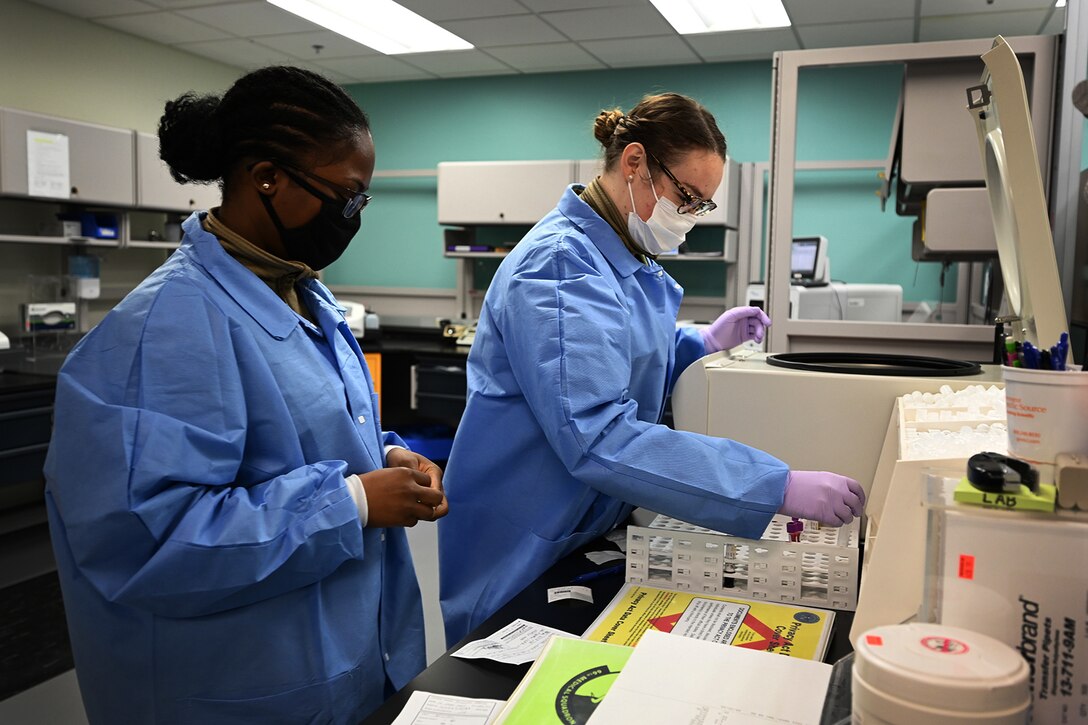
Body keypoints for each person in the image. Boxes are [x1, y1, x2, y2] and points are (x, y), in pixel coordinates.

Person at [43, 66, 448, 724]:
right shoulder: (162, 329)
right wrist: (352, 501)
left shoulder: (299, 293)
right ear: (268, 178)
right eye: (347, 196)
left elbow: (306, 437)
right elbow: (150, 541)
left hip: (341, 659)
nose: (355, 217)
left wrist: (388, 458)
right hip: (237, 686)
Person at [438, 92, 864, 644]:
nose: (688, 216)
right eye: (686, 196)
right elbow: (598, 435)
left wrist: (695, 342)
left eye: (701, 205)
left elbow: (613, 350)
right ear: (634, 162)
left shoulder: (618, 253)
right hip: (527, 528)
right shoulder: (560, 265)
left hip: (582, 517)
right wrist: (771, 485)